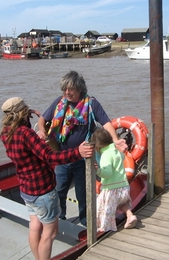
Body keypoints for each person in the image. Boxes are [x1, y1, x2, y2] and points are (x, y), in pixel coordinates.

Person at [0, 97, 93, 260]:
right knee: (50, 233)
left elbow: (26, 144)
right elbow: (50, 156)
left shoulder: (6, 133)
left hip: (26, 189)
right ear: (22, 112)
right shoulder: (26, 134)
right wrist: (77, 152)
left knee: (35, 227)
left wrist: (28, 116)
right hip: (42, 191)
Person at [37, 70, 127, 226]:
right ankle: (61, 218)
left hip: (83, 158)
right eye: (64, 89)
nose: (67, 92)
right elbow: (42, 119)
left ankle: (86, 223)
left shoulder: (91, 104)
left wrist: (116, 140)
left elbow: (106, 123)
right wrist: (42, 130)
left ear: (80, 88)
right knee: (60, 190)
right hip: (62, 157)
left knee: (83, 193)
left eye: (70, 89)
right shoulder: (59, 102)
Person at [91, 128, 137, 232]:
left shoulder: (105, 155)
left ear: (97, 145)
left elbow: (108, 173)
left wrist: (98, 170)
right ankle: (130, 216)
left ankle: (104, 228)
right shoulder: (116, 151)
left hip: (111, 190)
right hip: (124, 187)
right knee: (121, 203)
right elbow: (123, 157)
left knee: (103, 207)